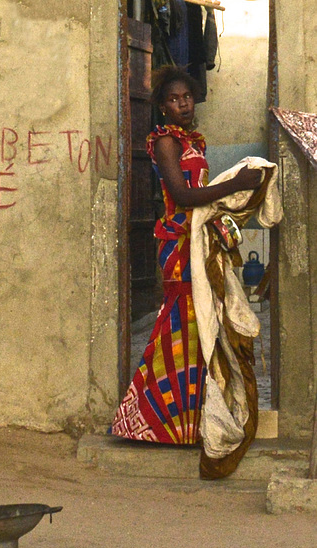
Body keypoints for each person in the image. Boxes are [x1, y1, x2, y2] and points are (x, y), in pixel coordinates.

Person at [112, 65, 262, 448]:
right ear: (162, 106)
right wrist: (234, 183)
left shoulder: (194, 141)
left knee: (199, 330)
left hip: (198, 238)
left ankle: (187, 420)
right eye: (174, 99)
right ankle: (147, 416)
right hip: (177, 242)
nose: (183, 104)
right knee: (180, 325)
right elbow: (181, 197)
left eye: (187, 97)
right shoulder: (165, 142)